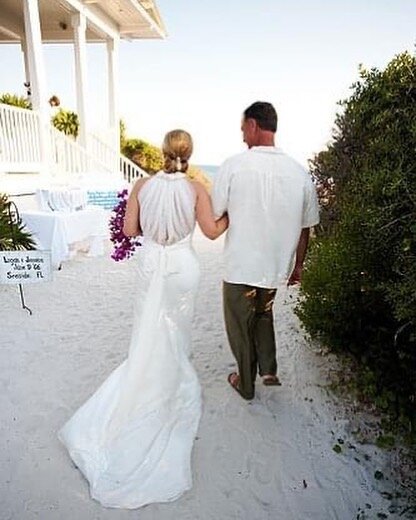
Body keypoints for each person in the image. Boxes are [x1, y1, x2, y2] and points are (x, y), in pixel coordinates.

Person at [58, 129, 228, 509]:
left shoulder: (142, 185)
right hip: (182, 265)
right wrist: (232, 212)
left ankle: (146, 376)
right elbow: (213, 232)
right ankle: (171, 379)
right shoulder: (197, 189)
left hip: (152, 263)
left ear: (163, 151)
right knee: (176, 331)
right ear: (190, 152)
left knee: (148, 328)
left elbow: (129, 229)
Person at [212, 101, 320, 401]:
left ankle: (245, 383)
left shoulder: (234, 165)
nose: (242, 135)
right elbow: (305, 227)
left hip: (240, 264)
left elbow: (216, 212)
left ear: (253, 125)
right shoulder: (299, 173)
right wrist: (298, 266)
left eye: (243, 128)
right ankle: (269, 369)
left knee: (239, 324)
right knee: (262, 312)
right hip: (275, 265)